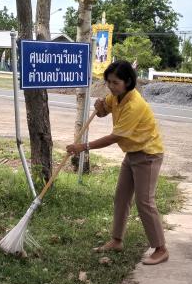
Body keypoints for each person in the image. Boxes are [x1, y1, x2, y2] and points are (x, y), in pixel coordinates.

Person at [66, 60, 169, 265]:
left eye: (116, 82)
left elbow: (116, 137)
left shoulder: (135, 104)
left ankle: (160, 248)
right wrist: (100, 107)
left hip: (148, 155)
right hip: (132, 154)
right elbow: (105, 110)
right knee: (121, 198)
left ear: (128, 81)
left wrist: (84, 147)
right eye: (109, 82)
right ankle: (116, 240)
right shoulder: (116, 97)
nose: (111, 87)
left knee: (144, 201)